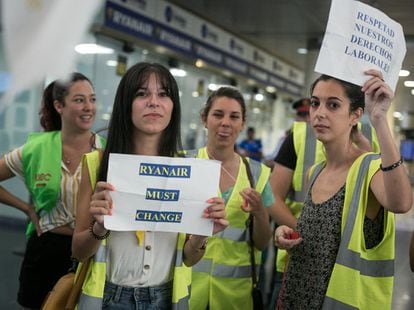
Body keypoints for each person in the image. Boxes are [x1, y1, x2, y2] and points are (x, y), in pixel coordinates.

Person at [71, 62, 228, 310]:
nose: (154, 102)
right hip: (109, 299)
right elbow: (79, 252)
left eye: (163, 94)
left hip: (166, 300)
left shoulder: (190, 171)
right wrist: (100, 226)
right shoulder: (97, 164)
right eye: (142, 94)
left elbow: (189, 259)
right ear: (126, 103)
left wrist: (200, 235)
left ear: (173, 106)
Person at [274, 69, 412, 309]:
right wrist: (286, 234)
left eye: (334, 105)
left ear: (355, 115)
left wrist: (379, 118)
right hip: (297, 298)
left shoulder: (368, 168)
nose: (320, 113)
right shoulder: (315, 172)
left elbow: (401, 203)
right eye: (315, 103)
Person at [0, 72, 104, 309]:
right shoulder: (36, 148)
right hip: (45, 249)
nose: (89, 107)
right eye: (79, 100)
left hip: (91, 251)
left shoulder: (106, 152)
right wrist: (26, 208)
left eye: (92, 99)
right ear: (59, 106)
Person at [187, 86, 274, 310]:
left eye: (234, 116)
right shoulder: (183, 166)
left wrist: (260, 212)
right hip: (186, 291)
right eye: (218, 114)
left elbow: (262, 243)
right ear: (204, 119)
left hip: (234, 297)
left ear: (242, 123)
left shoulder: (257, 174)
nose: (226, 122)